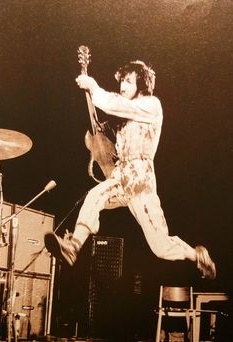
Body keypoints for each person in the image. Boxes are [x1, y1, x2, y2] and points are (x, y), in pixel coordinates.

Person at [45, 60, 216, 279]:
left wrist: (94, 88)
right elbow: (107, 152)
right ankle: (73, 246)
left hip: (141, 182)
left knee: (161, 248)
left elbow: (117, 104)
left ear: (141, 83)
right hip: (121, 178)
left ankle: (197, 255)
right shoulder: (124, 122)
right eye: (121, 82)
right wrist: (99, 140)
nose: (122, 86)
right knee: (95, 196)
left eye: (128, 81)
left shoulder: (152, 105)